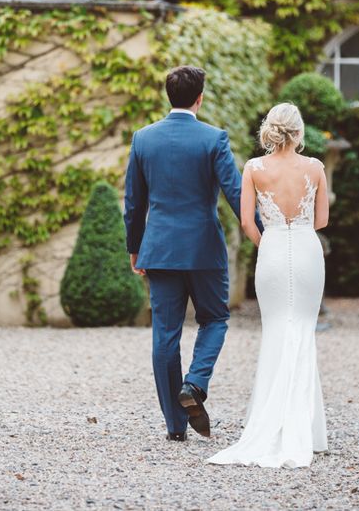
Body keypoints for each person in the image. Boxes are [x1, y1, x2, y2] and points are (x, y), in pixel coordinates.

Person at [124, 65, 263, 441]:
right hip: (203, 250)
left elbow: (133, 204)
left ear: (169, 97)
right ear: (200, 98)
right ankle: (195, 385)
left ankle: (174, 425)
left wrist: (135, 249)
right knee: (214, 319)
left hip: (160, 251)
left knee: (164, 335)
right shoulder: (213, 139)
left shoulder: (143, 139)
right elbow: (236, 194)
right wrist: (265, 236)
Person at [207, 102, 329, 468]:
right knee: (303, 330)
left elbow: (247, 223)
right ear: (299, 130)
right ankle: (307, 430)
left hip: (273, 251)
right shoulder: (316, 168)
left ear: (270, 129)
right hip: (308, 251)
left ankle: (273, 423)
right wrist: (296, 232)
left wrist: (272, 243)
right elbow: (321, 219)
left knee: (277, 330)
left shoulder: (254, 168)